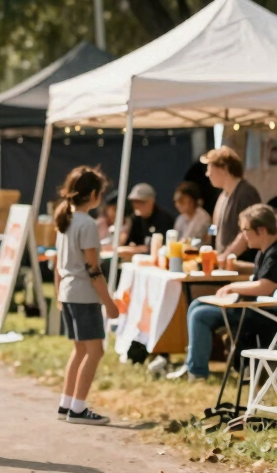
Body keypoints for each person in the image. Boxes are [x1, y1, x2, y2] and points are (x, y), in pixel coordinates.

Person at [168, 204, 277, 381]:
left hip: (264, 313)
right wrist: (240, 268)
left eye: (245, 230)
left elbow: (266, 286)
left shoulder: (274, 253)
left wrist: (232, 287)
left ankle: (197, 372)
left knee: (200, 314)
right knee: (197, 303)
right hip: (255, 306)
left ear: (262, 230)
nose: (242, 235)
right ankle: (192, 365)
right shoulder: (265, 252)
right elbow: (264, 275)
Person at [53, 167, 119, 424]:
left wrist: (59, 293)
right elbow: (94, 269)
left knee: (80, 350)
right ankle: (78, 409)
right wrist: (109, 303)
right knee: (95, 351)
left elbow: (58, 262)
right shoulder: (86, 223)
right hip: (83, 294)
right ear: (93, 194)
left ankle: (66, 403)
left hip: (69, 292)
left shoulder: (65, 219)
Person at [204, 147, 261, 259]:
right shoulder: (223, 196)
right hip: (225, 264)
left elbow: (247, 232)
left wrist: (226, 256)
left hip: (241, 264)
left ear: (224, 168)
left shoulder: (245, 193)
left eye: (211, 168)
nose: (207, 174)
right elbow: (214, 227)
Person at [117, 183, 175, 257]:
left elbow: (163, 246)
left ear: (151, 201)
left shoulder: (164, 219)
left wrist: (138, 249)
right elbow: (130, 242)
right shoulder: (135, 219)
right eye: (134, 202)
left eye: (141, 202)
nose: (136, 205)